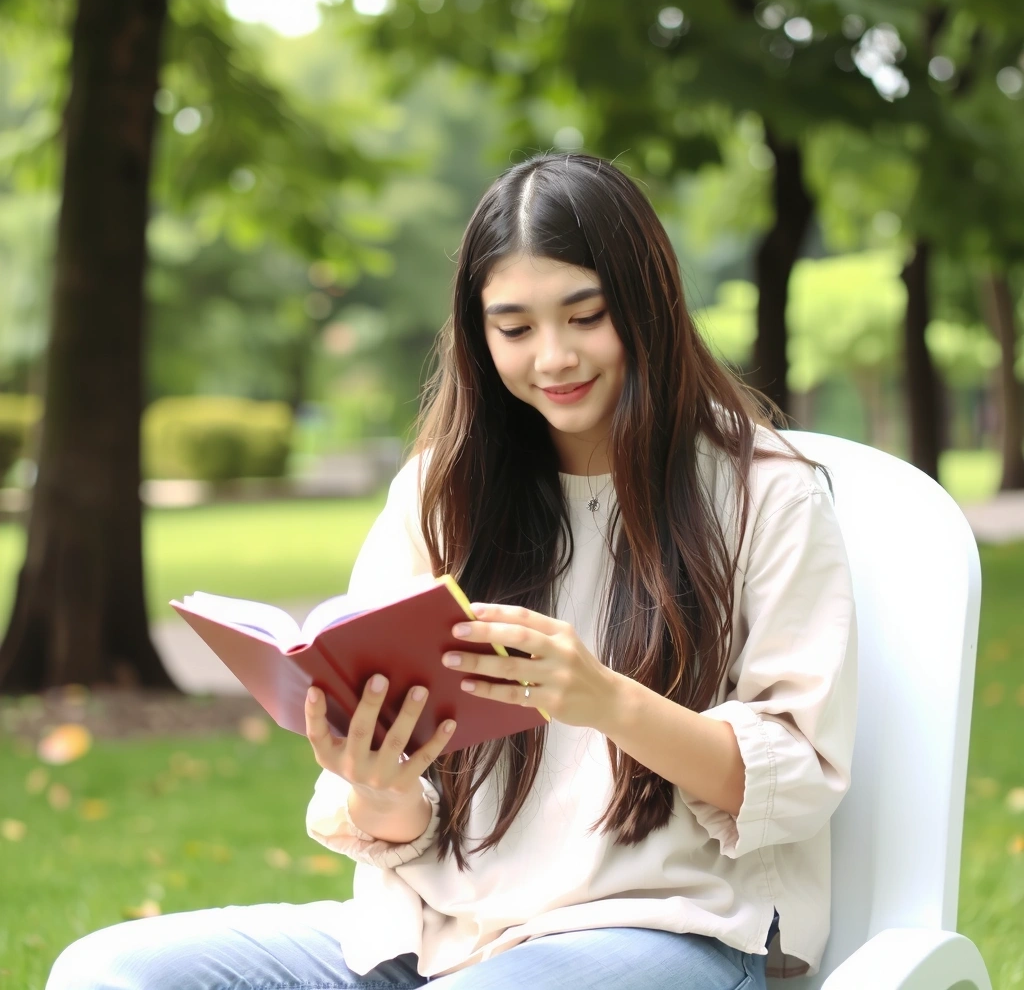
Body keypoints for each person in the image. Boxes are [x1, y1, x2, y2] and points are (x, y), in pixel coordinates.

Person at [47, 152, 856, 989]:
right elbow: (406, 815)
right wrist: (378, 786)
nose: (553, 358)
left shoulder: (767, 493)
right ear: (479, 335)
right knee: (107, 971)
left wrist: (605, 699)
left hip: (665, 931)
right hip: (436, 938)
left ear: (648, 306)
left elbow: (800, 777)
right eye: (514, 328)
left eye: (586, 315)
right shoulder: (440, 492)